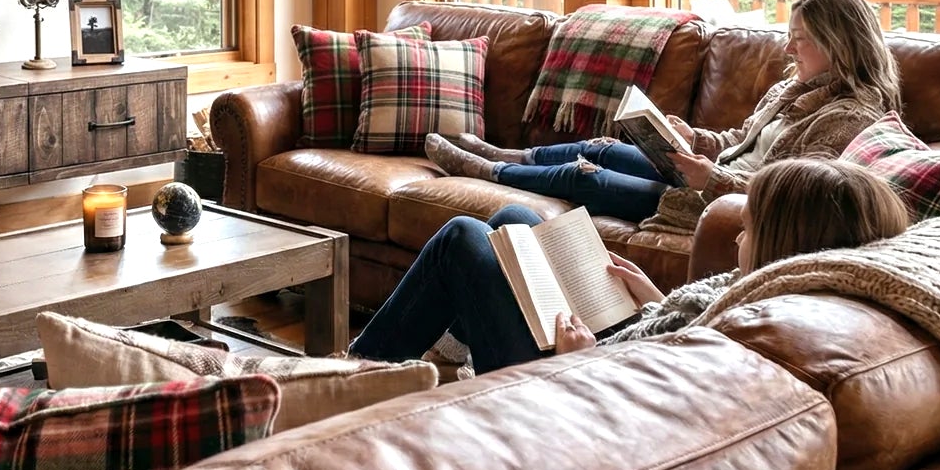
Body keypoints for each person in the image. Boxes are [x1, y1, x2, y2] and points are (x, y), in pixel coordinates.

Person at [350, 158, 911, 376]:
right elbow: (675, 330)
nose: (739, 234)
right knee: (516, 218)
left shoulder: (753, 317)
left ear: (785, 244)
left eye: (751, 228)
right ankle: (455, 340)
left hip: (579, 382)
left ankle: (355, 371)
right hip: (614, 337)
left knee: (464, 238)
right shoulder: (759, 291)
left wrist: (587, 358)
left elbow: (654, 380)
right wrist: (650, 297)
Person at [423, 0, 900, 223]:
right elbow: (738, 142)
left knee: (583, 177)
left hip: (724, 204)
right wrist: (696, 139)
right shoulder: (791, 88)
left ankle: (485, 172)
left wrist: (707, 177)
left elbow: (791, 193)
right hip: (708, 177)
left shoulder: (849, 117)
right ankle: (506, 155)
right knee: (605, 147)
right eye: (789, 38)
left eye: (801, 41)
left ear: (839, 44)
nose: (788, 50)